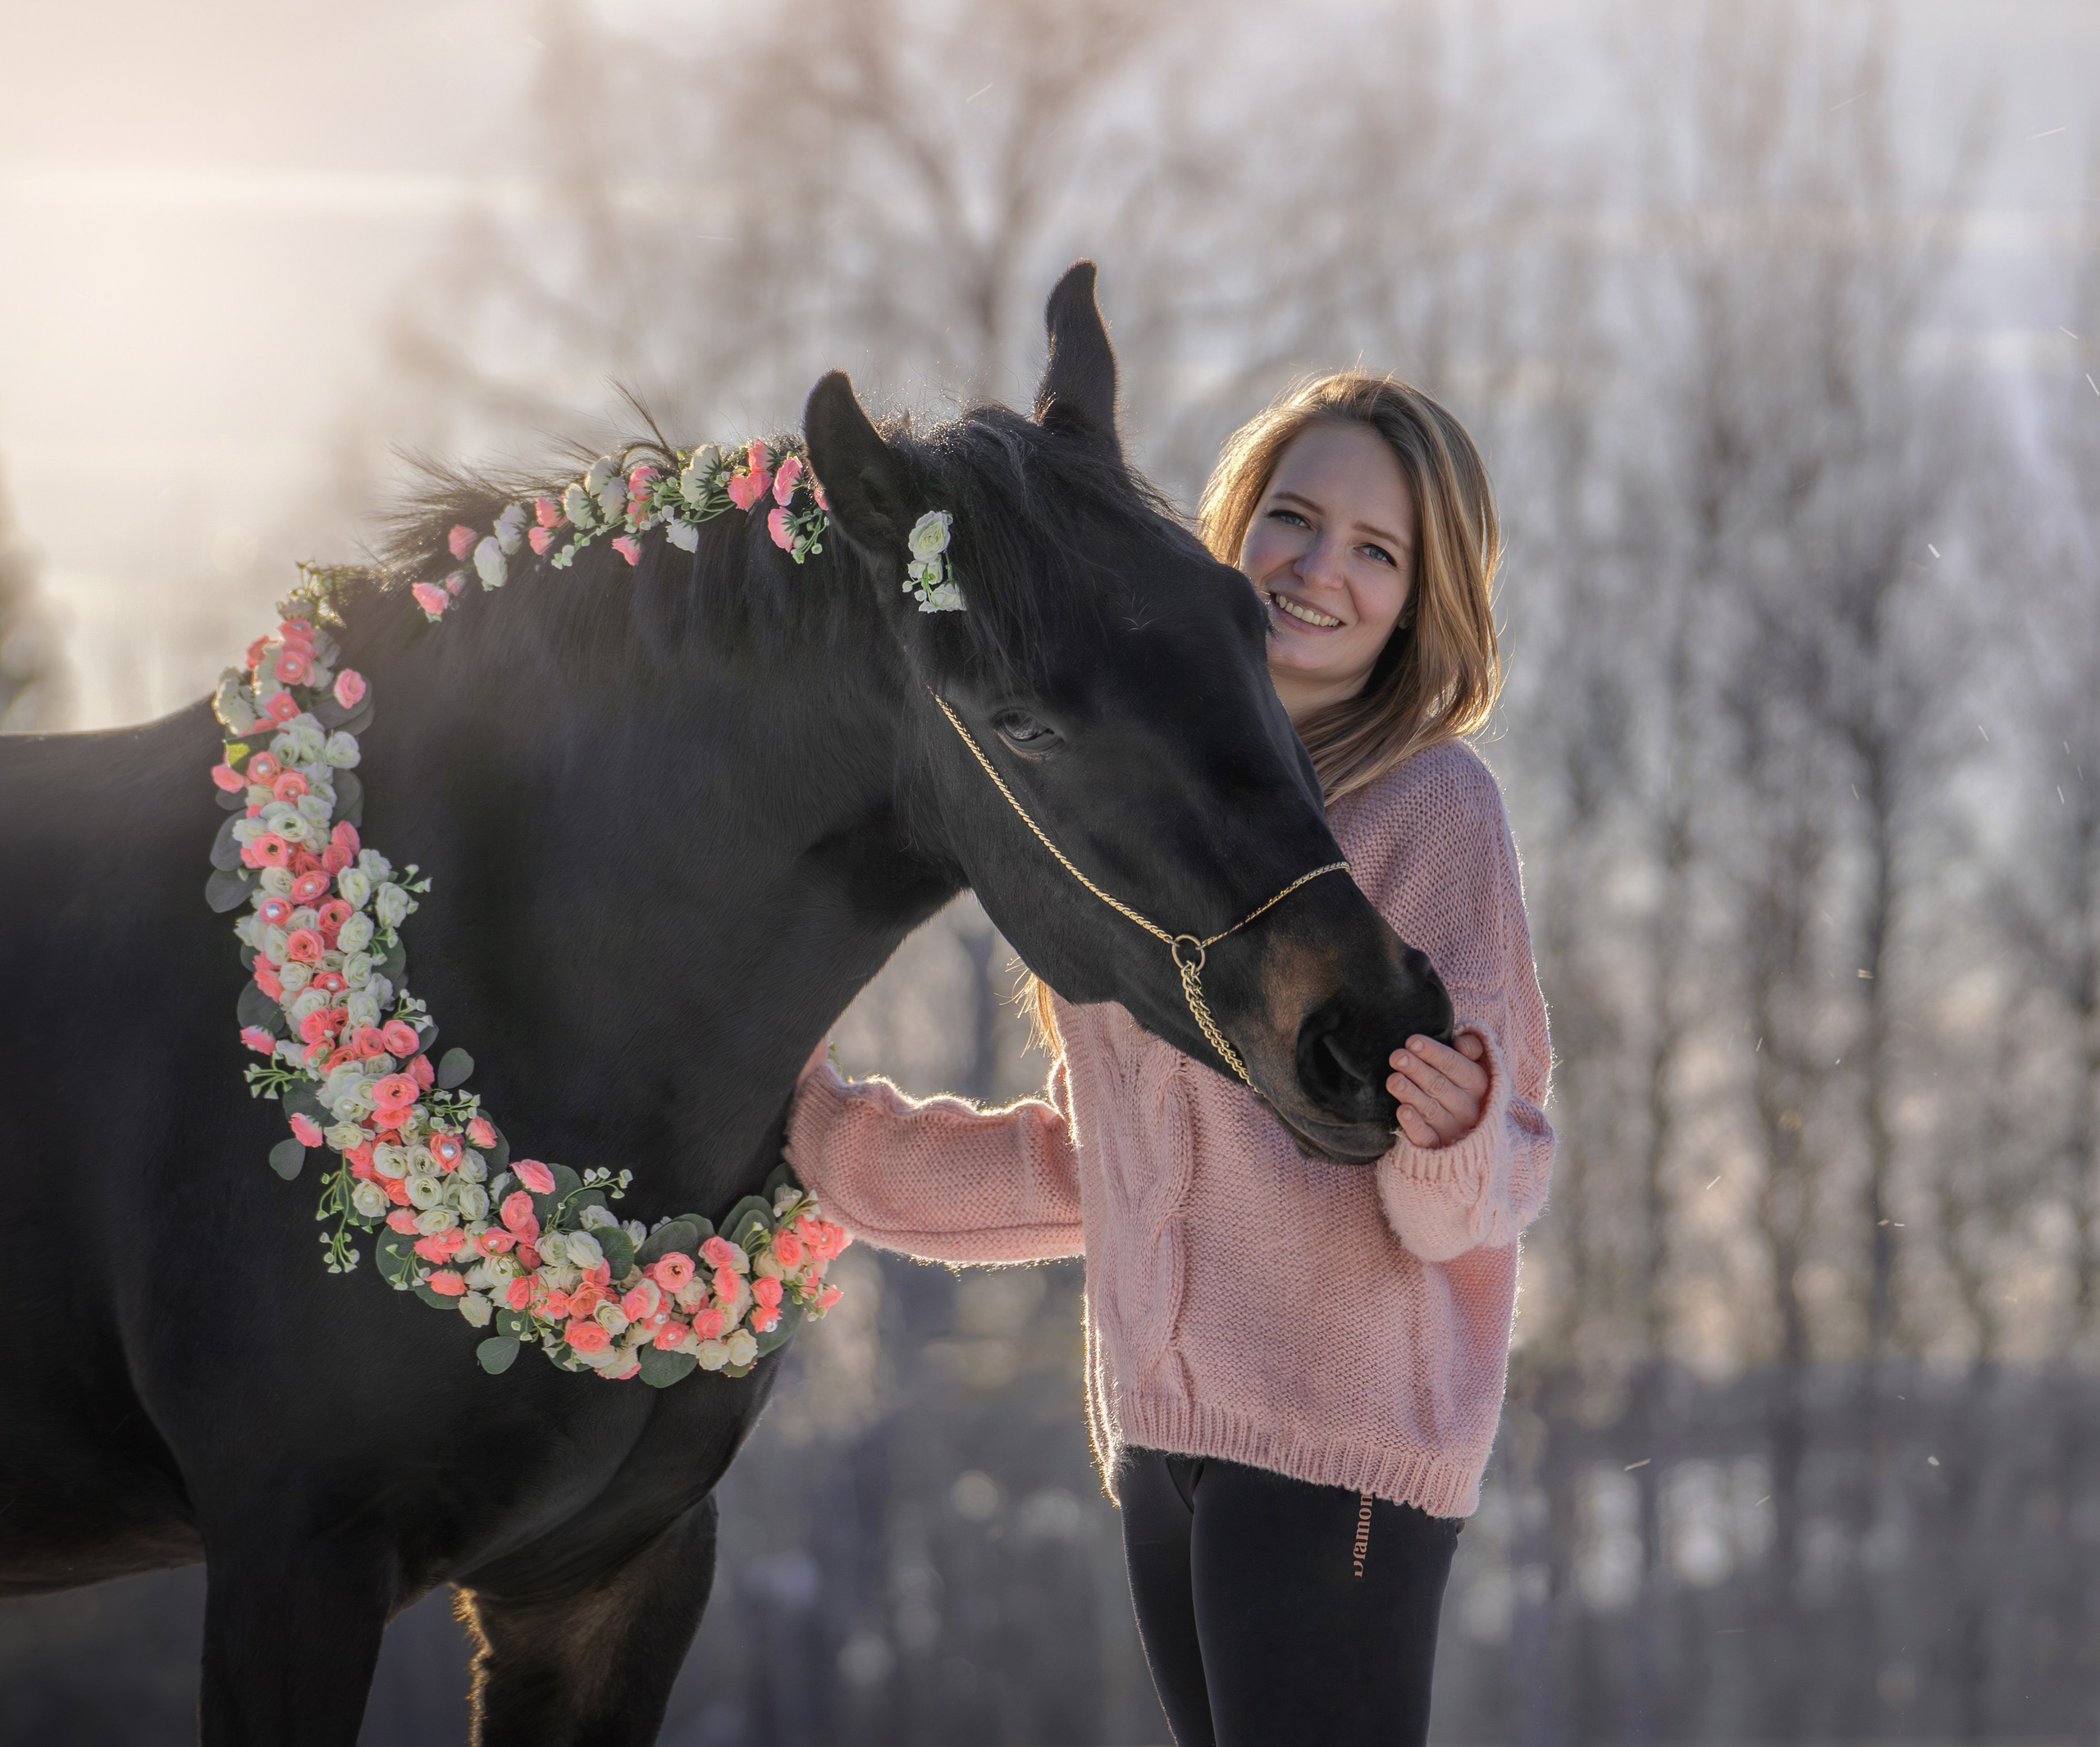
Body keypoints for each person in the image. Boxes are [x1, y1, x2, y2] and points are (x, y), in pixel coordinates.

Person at [785, 372, 1553, 1746]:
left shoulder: (1435, 810)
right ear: (1232, 524)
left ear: (1422, 595)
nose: (1322, 569)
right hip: (1160, 1442)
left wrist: (1455, 1134)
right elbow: (1105, 1167)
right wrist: (833, 1147)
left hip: (1340, 1455)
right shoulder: (1138, 803)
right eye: (1294, 518)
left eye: (1378, 550)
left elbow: (1472, 1200)